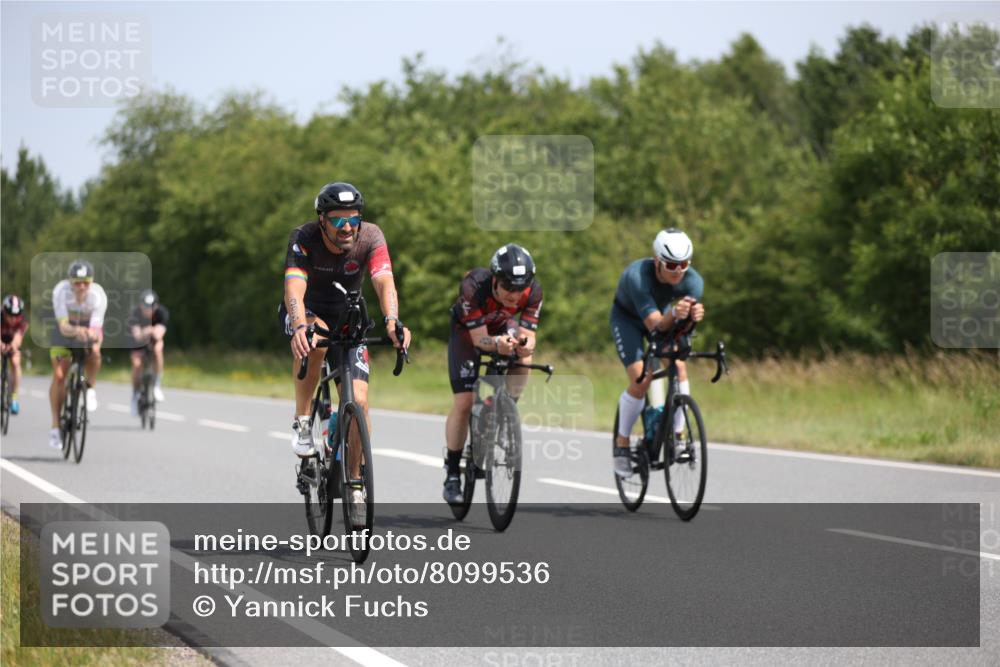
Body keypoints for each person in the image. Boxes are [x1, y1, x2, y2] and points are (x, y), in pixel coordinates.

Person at [280, 182, 411, 503]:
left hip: (348, 315)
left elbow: (384, 281)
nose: (347, 226)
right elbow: (294, 287)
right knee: (316, 338)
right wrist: (299, 325)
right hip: (307, 312)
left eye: (353, 218)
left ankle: (354, 483)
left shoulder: (371, 236)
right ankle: (302, 422)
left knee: (361, 401)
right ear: (322, 219)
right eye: (338, 220)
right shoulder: (304, 238)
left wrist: (393, 320)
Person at [443, 243, 542, 504]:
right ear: (495, 280)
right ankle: (452, 472)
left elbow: (529, 334)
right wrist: (497, 344)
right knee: (464, 402)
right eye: (509, 287)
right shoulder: (473, 287)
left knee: (525, 355)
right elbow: (479, 340)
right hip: (468, 333)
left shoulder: (533, 291)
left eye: (520, 289)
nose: (515, 295)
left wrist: (524, 344)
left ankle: (504, 408)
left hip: (501, 325)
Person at [610, 229, 705, 477]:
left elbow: (678, 329)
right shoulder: (637, 277)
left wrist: (691, 319)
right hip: (628, 321)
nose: (677, 271)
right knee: (642, 379)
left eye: (683, 265)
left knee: (680, 366)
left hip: (663, 317)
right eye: (671, 265)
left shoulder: (694, 282)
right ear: (657, 261)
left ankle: (679, 436)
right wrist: (675, 314)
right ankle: (622, 444)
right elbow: (655, 326)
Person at [49, 259, 107, 449]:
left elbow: (97, 329)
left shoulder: (98, 295)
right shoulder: (60, 291)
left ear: (92, 281)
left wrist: (91, 335)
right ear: (70, 281)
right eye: (77, 282)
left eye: (86, 282)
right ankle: (56, 427)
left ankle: (89, 388)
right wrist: (77, 332)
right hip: (64, 334)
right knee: (59, 377)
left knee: (95, 352)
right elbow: (63, 326)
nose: (82, 286)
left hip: (87, 331)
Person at [128, 289, 169, 415]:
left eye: (151, 307)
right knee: (137, 365)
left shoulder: (162, 313)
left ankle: (156, 383)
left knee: (158, 350)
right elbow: (137, 336)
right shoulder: (135, 314)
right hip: (137, 343)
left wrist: (148, 331)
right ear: (140, 305)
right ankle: (135, 395)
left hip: (153, 340)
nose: (148, 310)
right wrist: (149, 330)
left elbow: (159, 334)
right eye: (145, 307)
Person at [1, 295, 29, 415]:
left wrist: (13, 346)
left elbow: (18, 338)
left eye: (16, 316)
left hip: (12, 342)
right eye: (10, 315)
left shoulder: (22, 321)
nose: (13, 319)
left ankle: (14, 398)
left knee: (16, 362)